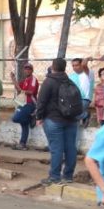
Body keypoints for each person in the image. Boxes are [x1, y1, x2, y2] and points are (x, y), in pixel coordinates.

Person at [36, 58, 81, 186]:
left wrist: (39, 117)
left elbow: (41, 101)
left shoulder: (49, 82)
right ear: (65, 67)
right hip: (71, 120)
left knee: (56, 149)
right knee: (70, 148)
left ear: (53, 67)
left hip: (54, 120)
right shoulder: (70, 81)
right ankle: (68, 176)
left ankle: (54, 177)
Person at [10, 63, 39, 150]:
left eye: (29, 69)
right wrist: (13, 79)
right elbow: (18, 88)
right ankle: (22, 144)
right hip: (24, 103)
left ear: (32, 70)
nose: (27, 70)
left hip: (30, 103)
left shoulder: (33, 79)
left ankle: (31, 118)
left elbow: (31, 92)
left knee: (15, 118)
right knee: (24, 124)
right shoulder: (26, 79)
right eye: (26, 69)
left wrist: (22, 90)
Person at [70, 57, 92, 127]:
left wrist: (87, 58)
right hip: (73, 99)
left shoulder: (88, 73)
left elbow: (84, 65)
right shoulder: (71, 76)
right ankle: (84, 116)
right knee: (70, 115)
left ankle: (86, 115)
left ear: (81, 65)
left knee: (74, 114)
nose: (74, 67)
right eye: (73, 66)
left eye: (77, 65)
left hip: (84, 99)